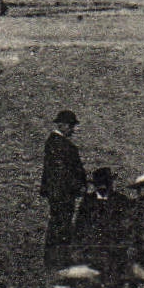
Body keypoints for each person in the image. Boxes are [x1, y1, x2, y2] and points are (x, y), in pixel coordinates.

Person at [73, 167, 133, 288]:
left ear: (111, 183)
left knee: (115, 285)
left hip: (114, 251)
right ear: (95, 185)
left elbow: (127, 225)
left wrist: (122, 245)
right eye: (100, 183)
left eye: (106, 183)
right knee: (91, 285)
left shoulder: (121, 201)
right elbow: (80, 227)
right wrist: (81, 248)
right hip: (93, 251)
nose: (103, 187)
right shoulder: (87, 202)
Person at [40, 109, 86, 270]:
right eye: (71, 126)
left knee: (59, 224)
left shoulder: (55, 142)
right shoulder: (59, 144)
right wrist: (78, 186)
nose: (73, 130)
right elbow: (62, 172)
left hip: (59, 192)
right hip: (62, 193)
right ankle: (57, 260)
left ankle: (55, 258)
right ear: (62, 125)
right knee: (61, 224)